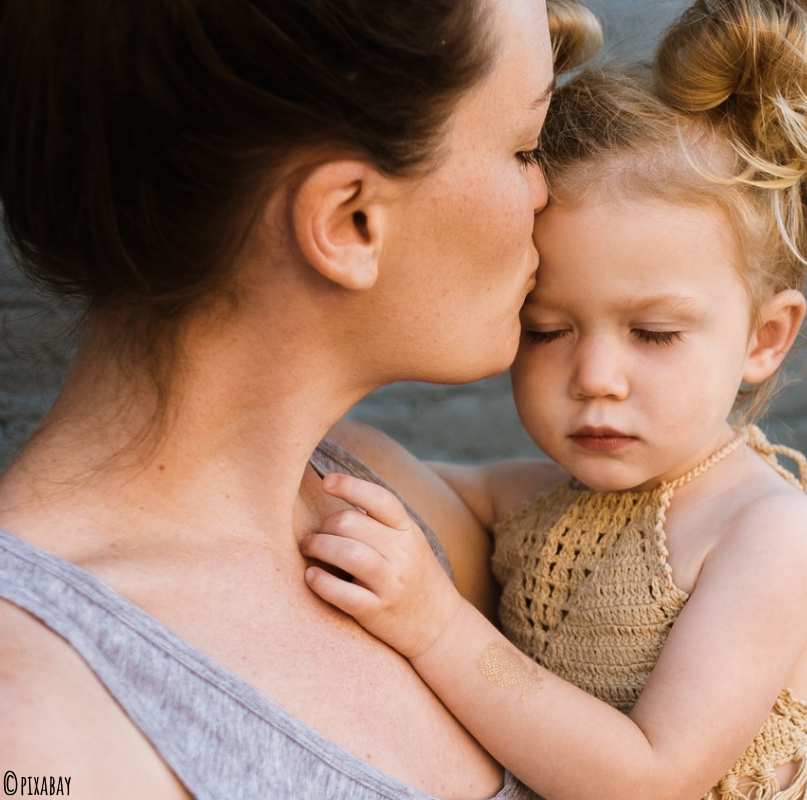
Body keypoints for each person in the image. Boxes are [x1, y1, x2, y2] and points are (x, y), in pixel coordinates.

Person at [0, 0, 599, 797]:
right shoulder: (38, 722)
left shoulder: (387, 505)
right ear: (351, 221)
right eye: (525, 147)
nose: (546, 193)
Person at [299, 1, 807, 799]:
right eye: (548, 328)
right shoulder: (536, 503)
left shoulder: (767, 536)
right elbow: (383, 468)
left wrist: (436, 626)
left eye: (654, 334)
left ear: (764, 338)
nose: (595, 374)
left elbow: (649, 776)